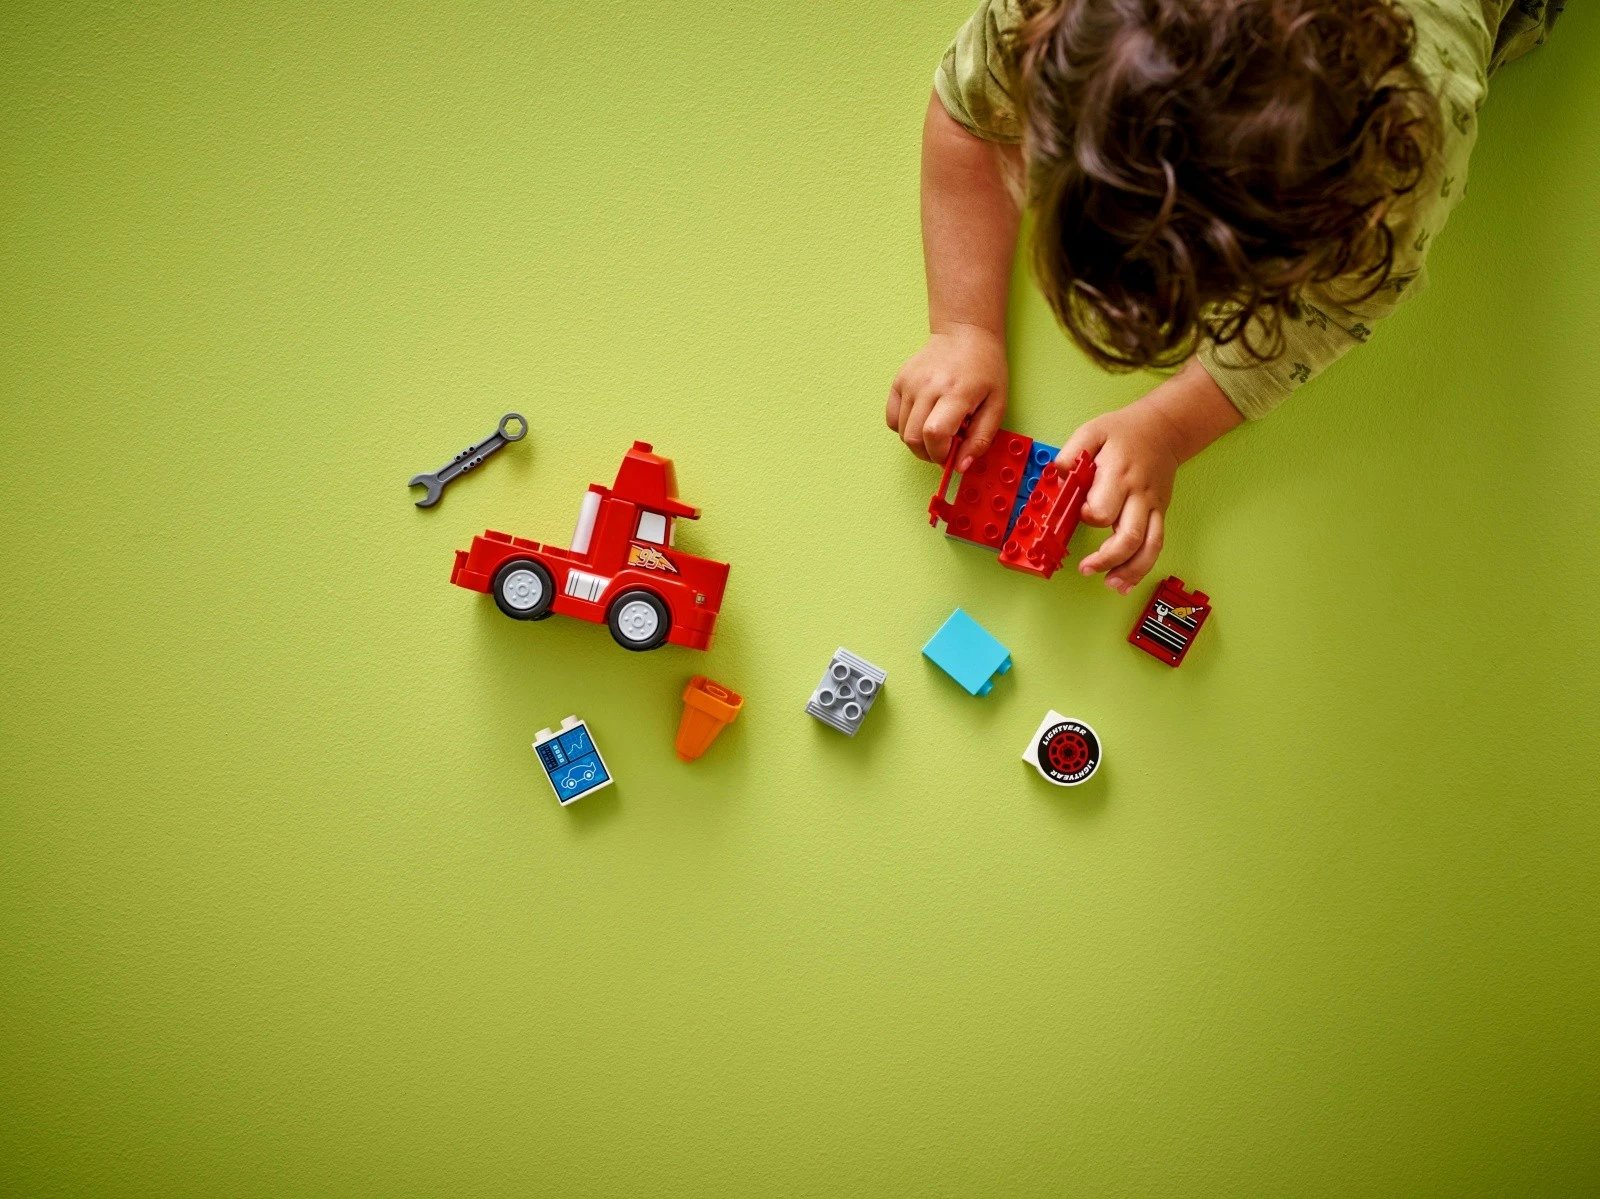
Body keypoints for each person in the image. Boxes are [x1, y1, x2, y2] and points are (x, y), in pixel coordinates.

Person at [887, 0, 1561, 593]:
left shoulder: (1398, 176)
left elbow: (1327, 312)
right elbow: (972, 113)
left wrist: (1170, 426)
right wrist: (963, 328)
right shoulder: (1056, 17)